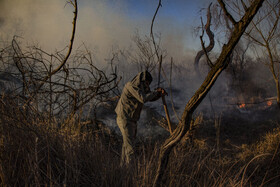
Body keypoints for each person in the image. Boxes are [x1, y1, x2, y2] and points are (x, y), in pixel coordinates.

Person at [115, 71, 166, 166]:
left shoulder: (142, 86)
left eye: (148, 84)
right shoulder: (131, 86)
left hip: (131, 119)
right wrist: (156, 92)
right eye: (146, 83)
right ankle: (130, 172)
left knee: (127, 145)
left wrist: (158, 94)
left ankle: (122, 169)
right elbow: (143, 98)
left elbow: (149, 97)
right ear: (142, 80)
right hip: (125, 118)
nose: (147, 85)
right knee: (130, 149)